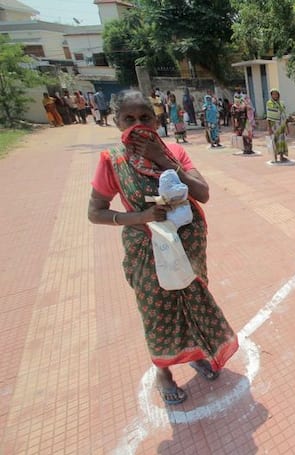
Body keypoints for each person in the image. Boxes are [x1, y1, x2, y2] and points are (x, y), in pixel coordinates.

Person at [87, 90, 239, 405]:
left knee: (191, 302)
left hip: (186, 247)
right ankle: (163, 373)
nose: (138, 125)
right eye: (129, 119)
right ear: (117, 122)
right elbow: (95, 212)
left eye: (145, 118)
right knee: (156, 311)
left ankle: (197, 354)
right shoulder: (112, 161)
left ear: (157, 120)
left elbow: (203, 193)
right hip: (146, 248)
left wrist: (162, 159)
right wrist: (139, 217)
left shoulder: (173, 151)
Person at [266, 88, 289, 162]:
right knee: (274, 141)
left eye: (276, 94)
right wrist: (269, 128)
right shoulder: (269, 103)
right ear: (271, 95)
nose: (275, 95)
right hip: (274, 126)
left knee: (282, 141)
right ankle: (275, 157)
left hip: (282, 126)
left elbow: (284, 115)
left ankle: (282, 156)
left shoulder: (281, 103)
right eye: (273, 94)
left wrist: (286, 126)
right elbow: (269, 116)